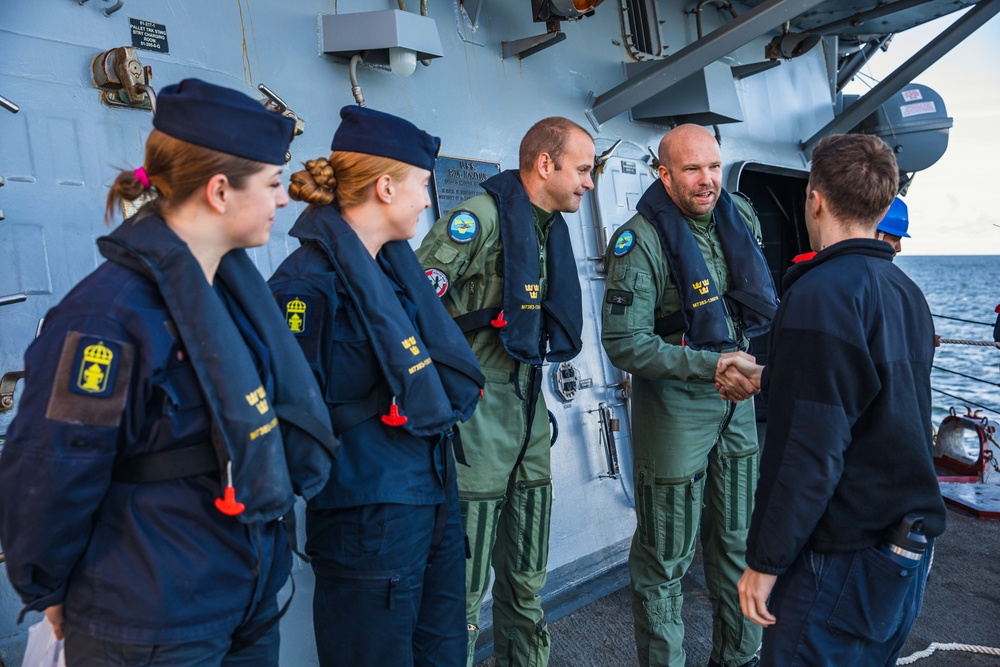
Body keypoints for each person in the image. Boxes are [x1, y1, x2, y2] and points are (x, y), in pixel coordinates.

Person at [0, 78, 337, 666]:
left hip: (244, 598)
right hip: (151, 619)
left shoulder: (232, 297)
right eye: (273, 184)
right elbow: (52, 467)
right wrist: (47, 587)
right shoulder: (105, 318)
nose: (284, 200)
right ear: (219, 192)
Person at [268, 105, 484, 667]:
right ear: (386, 188)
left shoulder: (393, 274)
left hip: (431, 497)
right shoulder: (304, 286)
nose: (425, 200)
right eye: (421, 185)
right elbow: (286, 417)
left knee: (442, 651)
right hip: (369, 517)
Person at [731, 134, 947, 666]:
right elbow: (871, 400)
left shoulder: (818, 293)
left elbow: (811, 450)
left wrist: (765, 561)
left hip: (841, 558)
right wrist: (773, 374)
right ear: (881, 205)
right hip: (902, 555)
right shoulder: (905, 294)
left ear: (815, 198)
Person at [414, 117, 595, 666]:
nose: (589, 183)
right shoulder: (479, 222)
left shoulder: (545, 228)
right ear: (547, 164)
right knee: (461, 594)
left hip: (528, 422)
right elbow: (414, 310)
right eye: (583, 170)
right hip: (477, 425)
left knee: (526, 584)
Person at [600, 124, 776, 667]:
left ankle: (739, 657)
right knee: (665, 556)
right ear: (664, 174)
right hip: (678, 410)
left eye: (715, 167)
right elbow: (624, 343)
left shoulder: (739, 216)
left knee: (739, 542)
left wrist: (739, 369)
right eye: (693, 170)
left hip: (739, 403)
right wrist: (709, 366)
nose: (708, 182)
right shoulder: (638, 241)